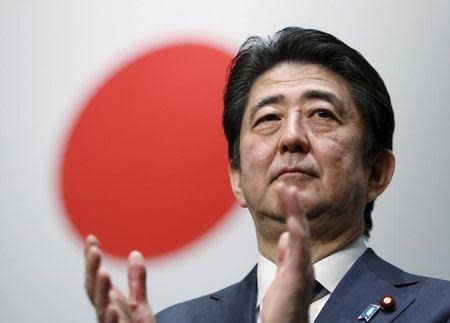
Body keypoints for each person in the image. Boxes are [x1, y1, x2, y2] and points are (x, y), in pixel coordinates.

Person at [84, 27, 450, 323]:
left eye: (321, 114)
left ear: (377, 172)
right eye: (269, 118)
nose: (291, 136)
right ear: (237, 179)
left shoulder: (438, 309)